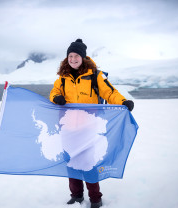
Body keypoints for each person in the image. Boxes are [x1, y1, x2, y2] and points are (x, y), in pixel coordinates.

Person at [49, 39, 134, 208]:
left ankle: (95, 198)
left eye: (76, 56)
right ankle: (77, 196)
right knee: (71, 162)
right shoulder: (62, 78)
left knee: (88, 163)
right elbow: (54, 92)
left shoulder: (95, 75)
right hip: (67, 128)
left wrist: (123, 102)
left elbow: (110, 92)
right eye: (70, 56)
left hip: (88, 128)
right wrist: (56, 98)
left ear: (83, 57)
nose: (73, 59)